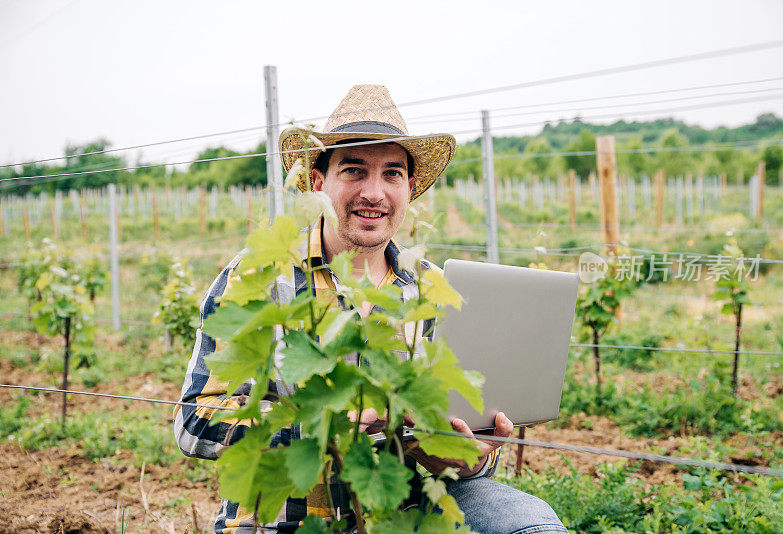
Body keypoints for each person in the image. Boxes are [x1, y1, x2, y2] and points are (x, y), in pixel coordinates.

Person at [174, 85, 567, 534]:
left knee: (529, 526)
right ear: (319, 182)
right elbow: (195, 419)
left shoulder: (436, 291)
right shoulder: (260, 278)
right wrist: (323, 425)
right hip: (284, 518)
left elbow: (464, 445)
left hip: (400, 513)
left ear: (411, 188)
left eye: (392, 174)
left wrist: (463, 455)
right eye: (355, 170)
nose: (374, 193)